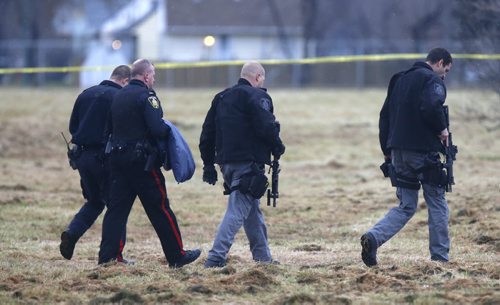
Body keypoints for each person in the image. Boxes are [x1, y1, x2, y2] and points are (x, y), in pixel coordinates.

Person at [98, 59, 201, 267]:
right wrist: (168, 130)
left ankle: (108, 258)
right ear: (145, 76)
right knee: (160, 209)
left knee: (116, 211)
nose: (153, 79)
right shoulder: (147, 96)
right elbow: (156, 128)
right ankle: (177, 255)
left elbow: (108, 129)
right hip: (142, 163)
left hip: (118, 161)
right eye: (153, 75)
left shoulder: (118, 96)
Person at [361, 48, 453, 267]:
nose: (444, 76)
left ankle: (373, 238)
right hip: (424, 154)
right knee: (437, 202)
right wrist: (442, 129)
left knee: (406, 205)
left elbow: (385, 116)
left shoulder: (399, 79)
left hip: (398, 152)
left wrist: (387, 150)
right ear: (439, 62)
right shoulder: (432, 80)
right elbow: (431, 106)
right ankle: (440, 258)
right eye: (446, 70)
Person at [199, 62, 285, 268]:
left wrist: (208, 165)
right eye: (262, 79)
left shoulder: (221, 97)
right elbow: (267, 126)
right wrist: (277, 146)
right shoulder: (257, 96)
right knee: (237, 210)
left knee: (251, 211)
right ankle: (215, 257)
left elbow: (207, 133)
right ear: (257, 77)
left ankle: (263, 259)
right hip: (249, 164)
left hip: (226, 164)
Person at [60, 65, 131, 262]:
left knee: (94, 201)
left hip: (82, 158)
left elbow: (73, 126)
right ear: (125, 81)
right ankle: (114, 256)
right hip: (106, 159)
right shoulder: (119, 98)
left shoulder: (85, 94)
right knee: (117, 206)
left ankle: (72, 233)